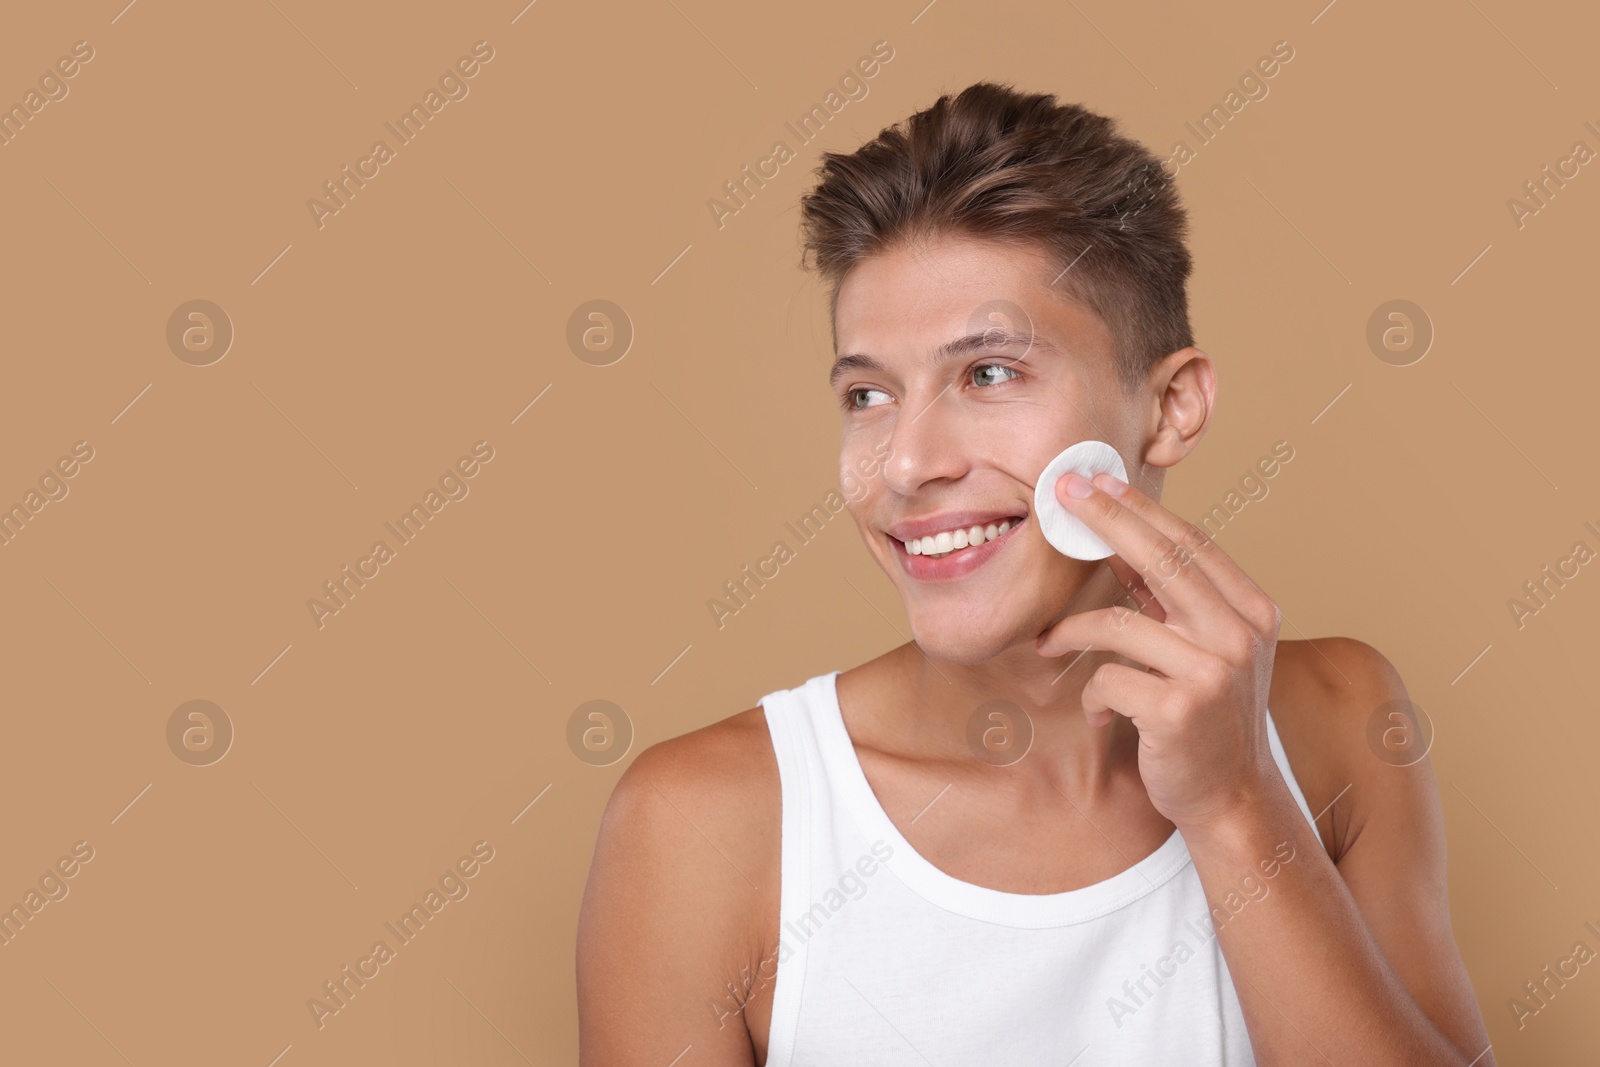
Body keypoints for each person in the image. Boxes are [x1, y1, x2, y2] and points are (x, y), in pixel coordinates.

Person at [576, 81, 1495, 1065]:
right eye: (867, 392)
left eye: (989, 373)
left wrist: (1235, 806)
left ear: (1171, 406)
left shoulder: (1341, 721)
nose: (907, 461)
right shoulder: (702, 822)